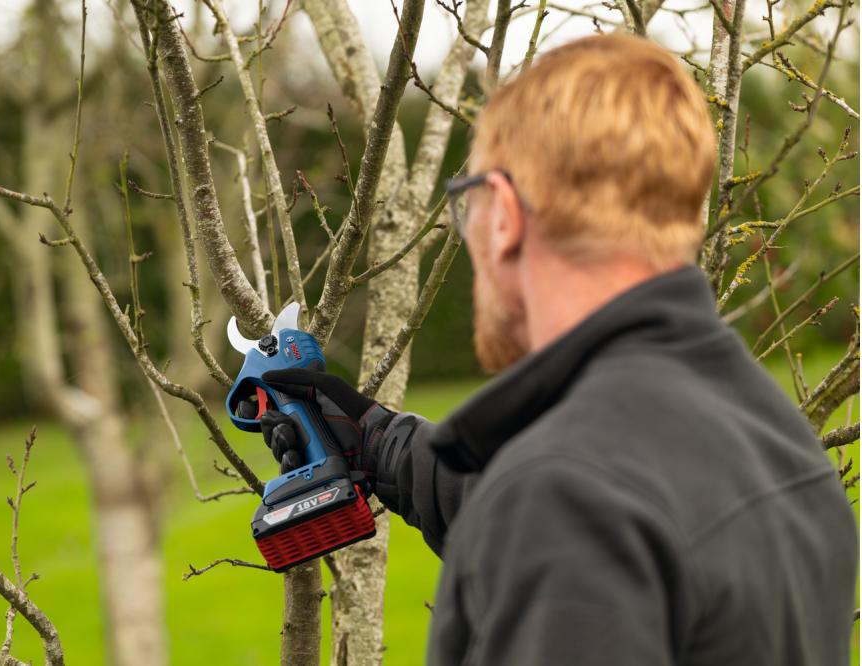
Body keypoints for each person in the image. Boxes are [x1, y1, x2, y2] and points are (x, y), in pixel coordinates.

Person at [246, 33, 858, 665]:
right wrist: (375, 440)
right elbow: (580, 502)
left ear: (504, 213)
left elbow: (568, 514)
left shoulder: (564, 502)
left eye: (469, 206)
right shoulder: (783, 450)